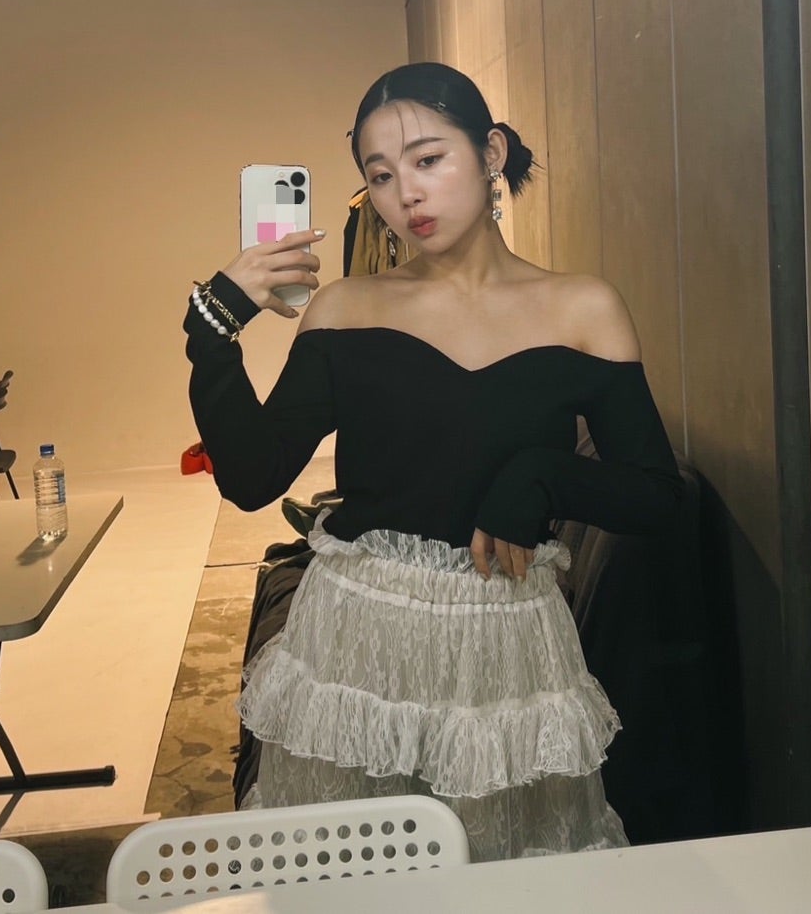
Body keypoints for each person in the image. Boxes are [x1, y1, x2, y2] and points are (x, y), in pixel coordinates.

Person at [184, 62, 683, 861]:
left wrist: (540, 477)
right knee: (350, 876)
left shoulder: (582, 308)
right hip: (357, 649)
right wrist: (213, 333)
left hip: (504, 657)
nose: (405, 195)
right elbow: (252, 479)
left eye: (427, 159)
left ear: (491, 153)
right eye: (380, 175)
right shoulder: (346, 310)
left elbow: (658, 496)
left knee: (508, 881)